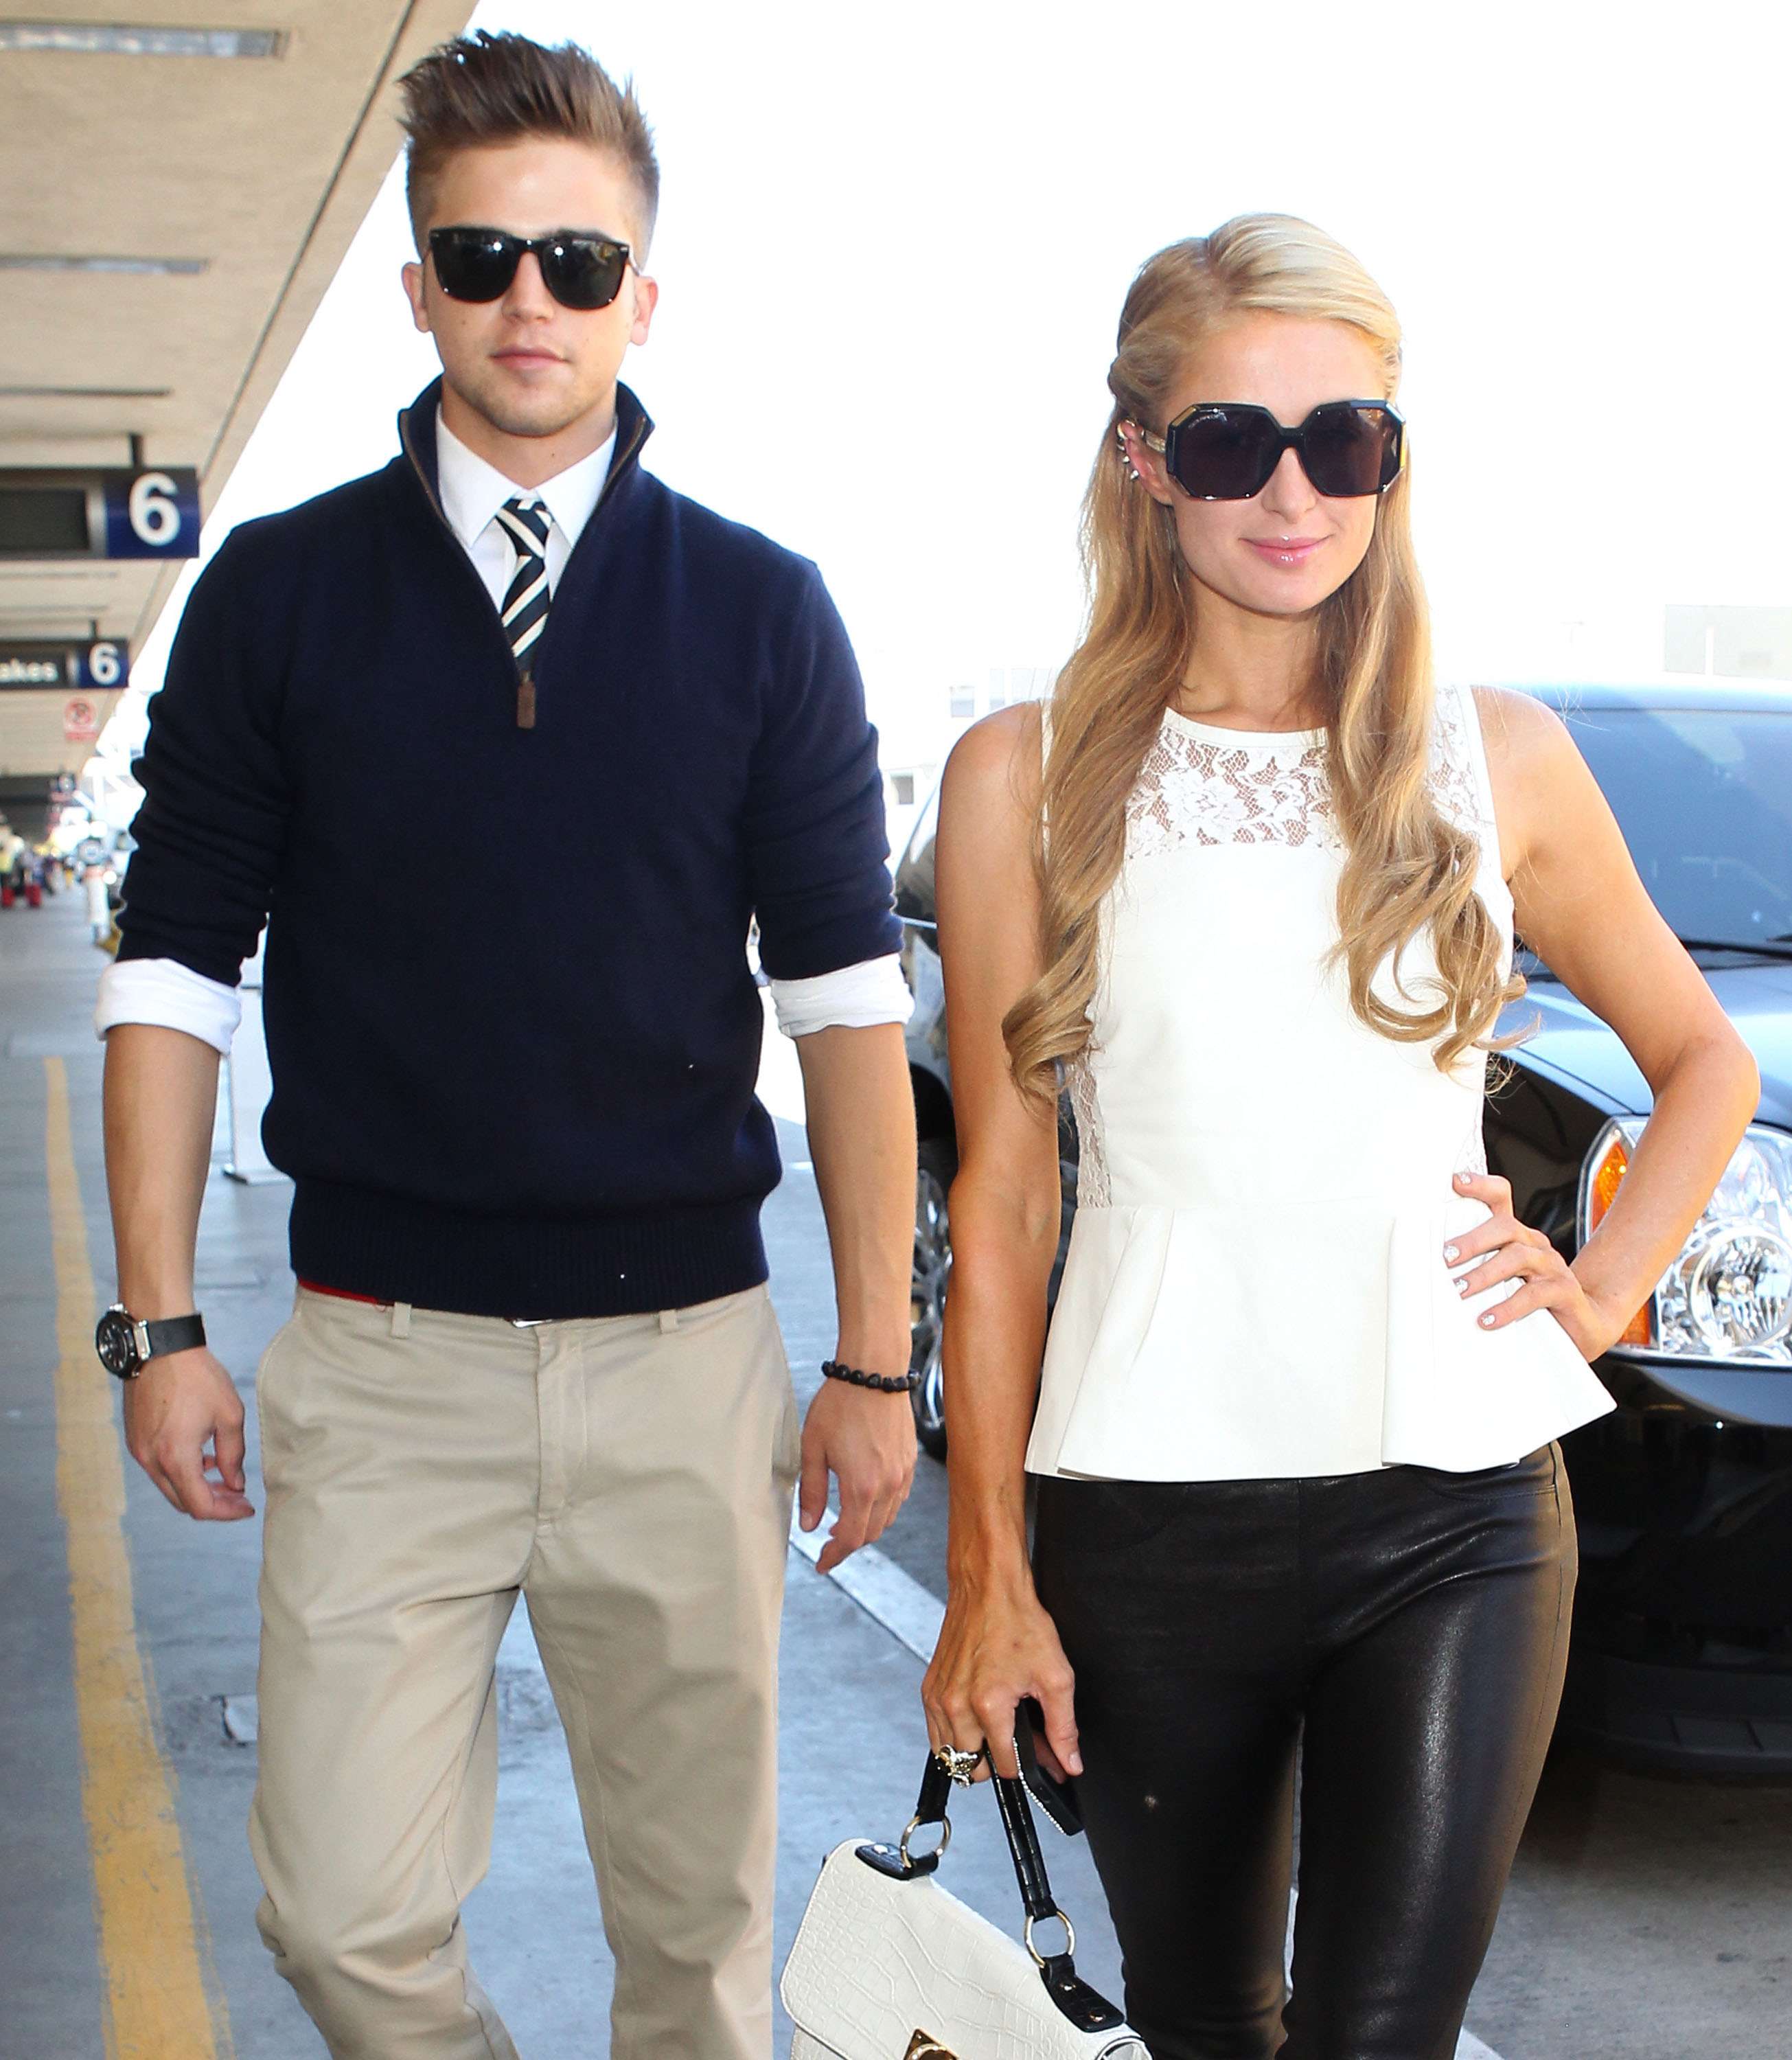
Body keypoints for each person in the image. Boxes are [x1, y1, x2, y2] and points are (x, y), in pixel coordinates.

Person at [95, 32, 917, 2060]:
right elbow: (171, 974)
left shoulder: (760, 611)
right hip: (381, 1367)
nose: (527, 299)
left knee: (700, 1954)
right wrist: (155, 1324)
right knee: (342, 1920)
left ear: (646, 294)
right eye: (480, 257)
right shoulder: (279, 596)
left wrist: (875, 1361)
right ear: (415, 289)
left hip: (684, 1372)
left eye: (576, 259)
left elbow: (842, 1009)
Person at [921, 215, 1759, 2059]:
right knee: (1207, 2026)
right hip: (1142, 1515)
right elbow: (1001, 1197)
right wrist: (985, 1574)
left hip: (1455, 1509)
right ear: (1141, 463)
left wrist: (1607, 1284)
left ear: (1391, 461)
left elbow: (1699, 1059)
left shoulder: (1495, 757)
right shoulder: (1020, 773)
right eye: (1230, 441)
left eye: (1344, 440)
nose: (1290, 492)